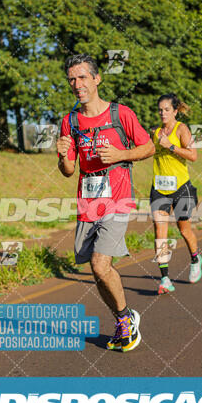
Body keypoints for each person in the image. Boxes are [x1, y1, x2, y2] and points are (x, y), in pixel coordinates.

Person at [56, 54, 155, 352]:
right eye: (72, 79)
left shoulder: (120, 114)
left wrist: (121, 155)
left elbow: (148, 146)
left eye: (83, 77)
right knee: (95, 269)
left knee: (101, 264)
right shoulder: (69, 121)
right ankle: (123, 318)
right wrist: (62, 155)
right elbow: (69, 171)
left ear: (97, 79)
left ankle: (125, 320)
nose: (77, 84)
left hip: (118, 197)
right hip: (88, 199)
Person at [149, 93, 201, 294]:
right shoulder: (155, 131)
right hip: (159, 188)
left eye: (167, 110)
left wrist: (170, 146)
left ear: (175, 111)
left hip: (181, 188)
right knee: (160, 233)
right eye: (160, 110)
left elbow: (193, 156)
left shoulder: (182, 130)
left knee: (184, 229)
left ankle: (195, 259)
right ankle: (164, 278)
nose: (163, 113)